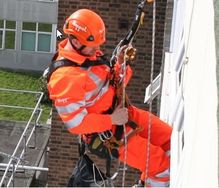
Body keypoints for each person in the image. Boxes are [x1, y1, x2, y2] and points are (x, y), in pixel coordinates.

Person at [47, 9, 172, 187]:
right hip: (110, 135)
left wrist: (122, 63)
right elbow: (76, 123)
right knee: (161, 168)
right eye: (93, 45)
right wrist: (111, 119)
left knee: (169, 140)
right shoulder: (65, 77)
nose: (98, 49)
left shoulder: (88, 55)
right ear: (75, 41)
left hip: (125, 116)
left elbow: (113, 85)